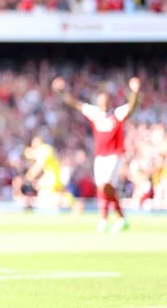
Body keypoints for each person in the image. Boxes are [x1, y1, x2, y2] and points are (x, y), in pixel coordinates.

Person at [52, 76, 140, 233]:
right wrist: (61, 91)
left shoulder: (117, 114)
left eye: (105, 100)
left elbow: (132, 106)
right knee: (104, 187)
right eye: (101, 100)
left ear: (109, 101)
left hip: (113, 155)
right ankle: (121, 218)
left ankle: (104, 219)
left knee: (104, 184)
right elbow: (74, 103)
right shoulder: (95, 113)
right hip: (100, 156)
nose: (103, 103)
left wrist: (134, 91)